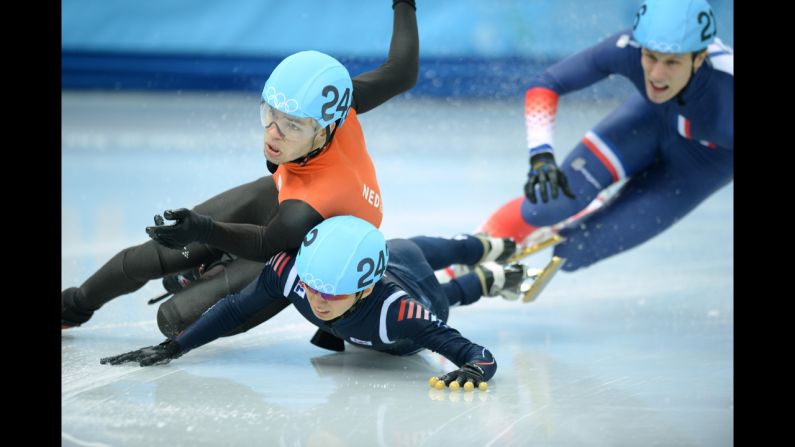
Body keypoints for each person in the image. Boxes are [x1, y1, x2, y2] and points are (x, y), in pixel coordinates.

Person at [62, 0, 420, 342]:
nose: (273, 134)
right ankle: (73, 305)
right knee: (148, 256)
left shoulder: (305, 208)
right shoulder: (339, 105)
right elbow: (402, 72)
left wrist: (203, 231)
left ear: (325, 129)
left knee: (173, 319)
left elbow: (267, 242)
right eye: (270, 115)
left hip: (299, 241)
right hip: (281, 199)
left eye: (292, 126)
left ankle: (207, 269)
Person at [475, 0, 733, 299]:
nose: (657, 75)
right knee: (547, 204)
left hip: (703, 165)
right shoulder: (629, 47)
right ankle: (467, 251)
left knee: (573, 252)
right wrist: (541, 157)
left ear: (699, 58)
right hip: (651, 122)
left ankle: (587, 208)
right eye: (651, 57)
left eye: (672, 62)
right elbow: (547, 83)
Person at [100, 216, 533, 391]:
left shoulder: (400, 314)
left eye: (334, 290)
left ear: (364, 289)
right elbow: (235, 308)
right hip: (394, 266)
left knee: (441, 286)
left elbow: (479, 356)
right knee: (411, 246)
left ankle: (488, 261)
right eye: (313, 285)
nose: (318, 300)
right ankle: (490, 262)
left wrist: (474, 371)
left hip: (421, 297)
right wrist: (175, 346)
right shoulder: (290, 271)